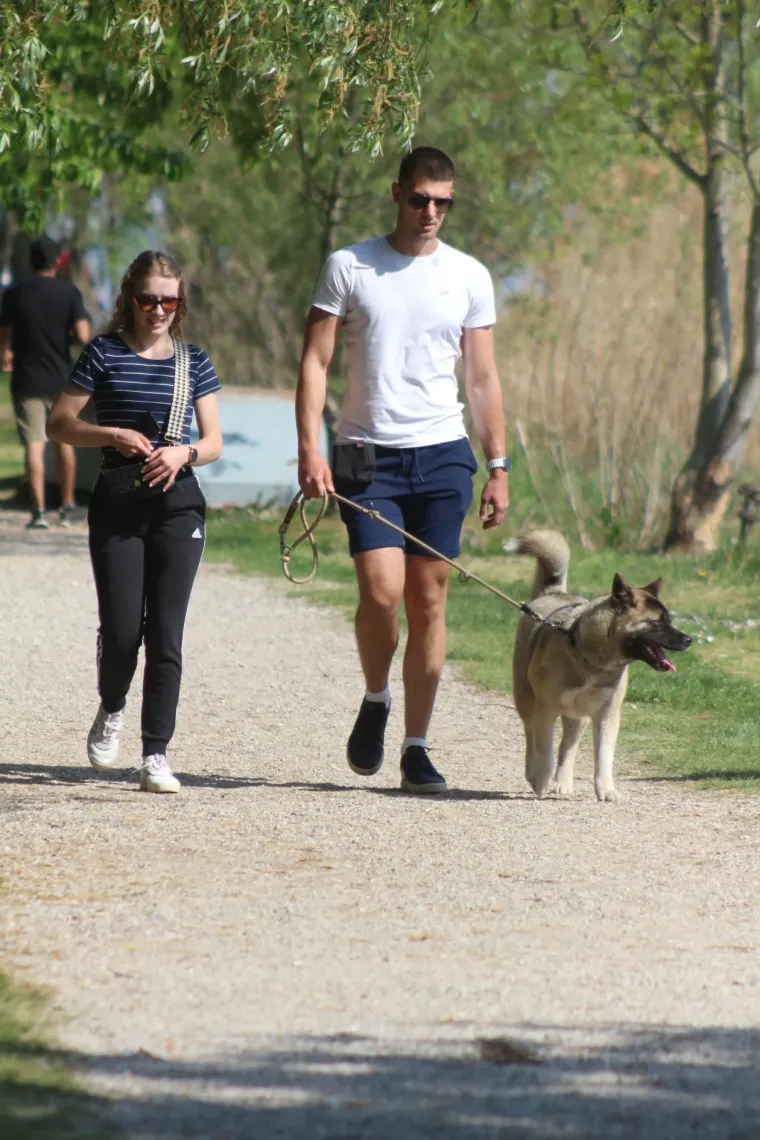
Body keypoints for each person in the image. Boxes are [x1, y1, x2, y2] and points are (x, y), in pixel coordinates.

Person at [296, 146, 510, 795]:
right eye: (420, 199)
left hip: (443, 453)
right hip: (367, 453)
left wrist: (498, 464)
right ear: (396, 194)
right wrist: (310, 447)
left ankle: (416, 747)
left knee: (429, 598)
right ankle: (375, 695)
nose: (431, 212)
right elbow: (314, 362)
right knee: (382, 592)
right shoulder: (351, 266)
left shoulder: (469, 275)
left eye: (443, 202)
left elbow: (480, 377)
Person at [47, 250, 223, 794]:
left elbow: (214, 441)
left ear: (180, 303)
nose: (158, 310)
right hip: (119, 503)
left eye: (169, 300)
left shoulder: (194, 363)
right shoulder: (102, 352)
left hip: (178, 505)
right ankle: (112, 703)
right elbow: (59, 424)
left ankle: (155, 753)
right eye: (148, 298)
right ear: (130, 297)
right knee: (125, 632)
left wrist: (183, 454)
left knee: (167, 633)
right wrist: (114, 435)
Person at [0, 235, 91, 528]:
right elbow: (84, 335)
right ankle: (66, 506)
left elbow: (4, 334)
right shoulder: (69, 293)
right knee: (64, 441)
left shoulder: (16, 293)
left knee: (34, 445)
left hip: (27, 379)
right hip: (62, 379)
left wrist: (6, 354)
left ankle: (38, 511)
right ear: (57, 261)